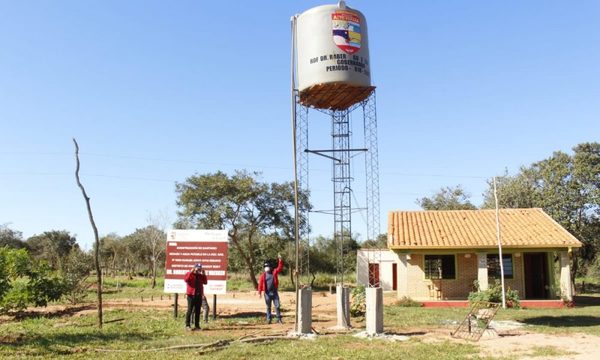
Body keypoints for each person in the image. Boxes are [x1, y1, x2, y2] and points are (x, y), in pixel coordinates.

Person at [257, 254, 284, 324]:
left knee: (277, 306)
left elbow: (280, 268)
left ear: (270, 267)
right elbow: (260, 284)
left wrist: (280, 260)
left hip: (274, 292)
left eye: (267, 266)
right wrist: (259, 293)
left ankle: (279, 319)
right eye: (265, 267)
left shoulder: (274, 272)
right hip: (267, 293)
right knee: (268, 307)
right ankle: (269, 319)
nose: (266, 268)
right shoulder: (263, 275)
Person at [184, 263, 208, 331]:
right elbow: (186, 279)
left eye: (200, 268)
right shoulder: (190, 274)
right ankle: (187, 325)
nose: (198, 270)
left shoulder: (200, 276)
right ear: (194, 268)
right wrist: (190, 272)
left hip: (199, 295)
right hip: (191, 295)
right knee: (190, 310)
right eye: (197, 268)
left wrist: (204, 274)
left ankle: (197, 326)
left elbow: (205, 282)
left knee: (198, 311)